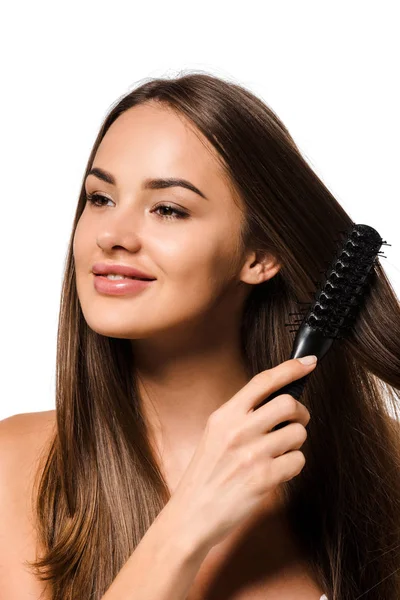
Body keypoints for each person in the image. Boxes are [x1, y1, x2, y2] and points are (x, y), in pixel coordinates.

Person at [1, 72, 399, 600]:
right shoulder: (20, 467)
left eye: (167, 208)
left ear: (259, 256)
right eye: (99, 198)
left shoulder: (382, 459)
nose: (111, 236)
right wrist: (189, 521)